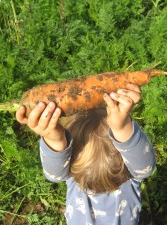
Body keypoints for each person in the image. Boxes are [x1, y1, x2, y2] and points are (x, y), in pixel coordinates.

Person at [16, 83, 156, 225]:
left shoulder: (73, 170)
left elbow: (145, 167)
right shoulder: (131, 173)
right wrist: (55, 140)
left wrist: (121, 129)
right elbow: (54, 175)